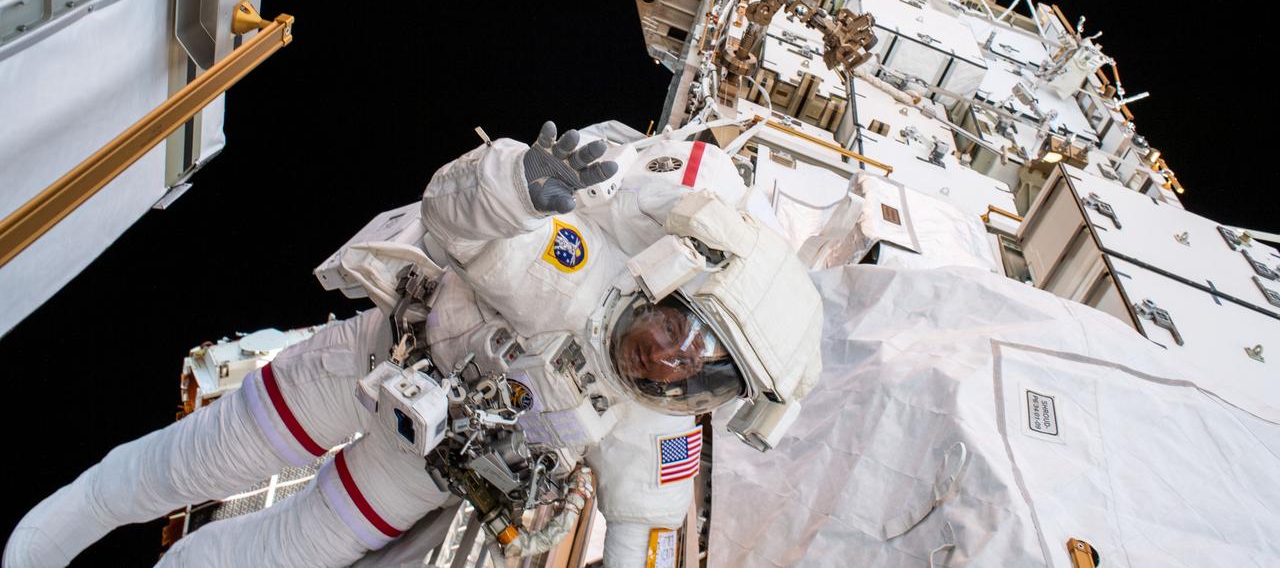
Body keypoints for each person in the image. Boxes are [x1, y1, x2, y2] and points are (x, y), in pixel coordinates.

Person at [5, 123, 823, 567]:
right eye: (683, 330)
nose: (675, 363)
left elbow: (644, 533)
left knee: (278, 554)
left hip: (422, 467)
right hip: (375, 361)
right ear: (669, 276)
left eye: (708, 371)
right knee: (194, 461)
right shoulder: (575, 265)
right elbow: (451, 217)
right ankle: (60, 530)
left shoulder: (660, 435)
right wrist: (512, 187)